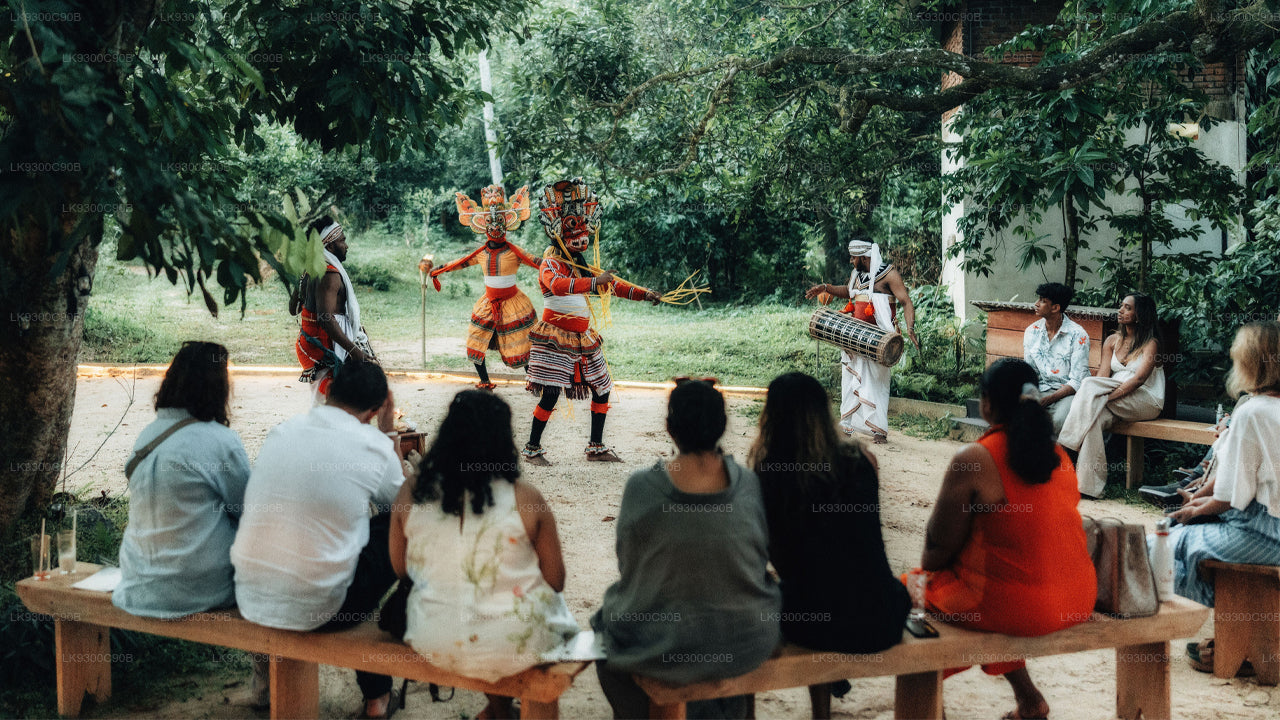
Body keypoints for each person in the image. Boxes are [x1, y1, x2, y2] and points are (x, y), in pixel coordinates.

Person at [918, 358, 1096, 719]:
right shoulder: (1059, 456)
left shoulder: (974, 458)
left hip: (1020, 606)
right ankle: (1029, 699)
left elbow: (934, 556)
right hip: (1076, 596)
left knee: (914, 590)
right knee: (1002, 580)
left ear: (986, 404)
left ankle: (926, 708)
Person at [592, 380, 781, 720]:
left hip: (663, 640)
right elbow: (760, 554)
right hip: (745, 637)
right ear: (722, 427)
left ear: (670, 428)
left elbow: (628, 564)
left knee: (606, 634)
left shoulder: (642, 486)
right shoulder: (747, 483)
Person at [231, 360, 406, 719]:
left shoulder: (282, 431)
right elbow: (407, 508)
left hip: (250, 595)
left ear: (326, 390)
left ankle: (268, 684)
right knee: (394, 526)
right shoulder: (374, 444)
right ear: (379, 407)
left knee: (338, 537)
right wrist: (389, 435)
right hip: (323, 609)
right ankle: (377, 700)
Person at [389, 390, 578, 719]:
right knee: (529, 611)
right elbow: (556, 581)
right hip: (514, 645)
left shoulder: (412, 490)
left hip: (432, 636)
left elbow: (400, 569)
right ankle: (508, 710)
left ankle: (497, 710)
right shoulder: (524, 496)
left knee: (475, 598)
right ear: (503, 440)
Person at [750, 372, 910, 701]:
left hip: (814, 621)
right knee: (823, 584)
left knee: (796, 591)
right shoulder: (863, 460)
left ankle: (822, 708)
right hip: (881, 615)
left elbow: (778, 558)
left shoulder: (769, 472)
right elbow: (862, 538)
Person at [521, 178, 662, 465]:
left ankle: (595, 447)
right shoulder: (550, 264)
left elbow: (614, 286)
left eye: (583, 234)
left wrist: (646, 295)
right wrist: (593, 281)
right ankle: (532, 449)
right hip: (555, 337)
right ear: (559, 234)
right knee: (549, 394)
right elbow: (558, 286)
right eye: (575, 235)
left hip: (583, 337)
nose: (581, 240)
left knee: (602, 387)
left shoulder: (582, 266)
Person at [1165, 322, 1280, 674]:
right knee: (1185, 532)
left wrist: (1189, 513)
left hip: (1265, 532)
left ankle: (1236, 638)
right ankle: (1239, 635)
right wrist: (1199, 503)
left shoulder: (1252, 411)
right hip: (1268, 524)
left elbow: (1233, 496)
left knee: (1170, 540)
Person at [114, 341, 250, 619]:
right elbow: (250, 509)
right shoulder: (220, 441)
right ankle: (267, 657)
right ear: (217, 389)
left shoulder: (148, 436)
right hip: (198, 588)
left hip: (136, 583)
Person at [805, 238, 917, 444]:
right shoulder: (857, 274)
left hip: (879, 339)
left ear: (865, 257)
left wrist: (910, 328)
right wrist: (825, 287)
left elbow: (905, 301)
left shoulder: (889, 274)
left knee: (876, 383)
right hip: (855, 338)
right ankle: (847, 425)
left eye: (853, 257)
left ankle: (879, 431)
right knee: (850, 381)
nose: (851, 260)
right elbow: (849, 292)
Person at [428, 185, 540, 389]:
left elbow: (537, 262)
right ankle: (485, 380)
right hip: (488, 303)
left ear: (507, 225)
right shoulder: (481, 253)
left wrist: (562, 265)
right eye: (490, 223)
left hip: (514, 303)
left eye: (499, 224)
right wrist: (439, 270)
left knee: (523, 343)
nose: (495, 228)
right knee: (476, 339)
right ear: (482, 225)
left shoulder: (515, 252)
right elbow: (460, 262)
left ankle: (533, 381)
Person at [1058, 293, 1165, 498]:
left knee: (1089, 387)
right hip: (1115, 396)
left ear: (1140, 315)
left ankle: (1066, 446)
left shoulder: (1151, 343)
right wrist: (1102, 397)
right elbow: (1103, 377)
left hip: (1146, 399)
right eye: (1121, 306)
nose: (1120, 310)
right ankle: (1088, 488)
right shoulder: (1112, 341)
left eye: (1127, 308)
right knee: (1094, 419)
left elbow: (1138, 380)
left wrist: (1105, 398)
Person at [290, 218, 377, 402]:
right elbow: (325, 317)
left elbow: (293, 308)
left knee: (328, 401)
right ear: (329, 246)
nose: (346, 246)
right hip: (325, 348)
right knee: (333, 403)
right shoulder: (330, 274)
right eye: (342, 240)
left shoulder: (309, 270)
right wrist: (354, 350)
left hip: (310, 344)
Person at [1022, 282, 1090, 435]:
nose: (1036, 304)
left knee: (1060, 420)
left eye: (1043, 300)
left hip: (1068, 393)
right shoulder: (1031, 332)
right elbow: (1030, 372)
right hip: (1040, 389)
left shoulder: (1078, 335)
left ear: (1055, 308)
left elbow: (1077, 381)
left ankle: (1056, 457)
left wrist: (1049, 399)